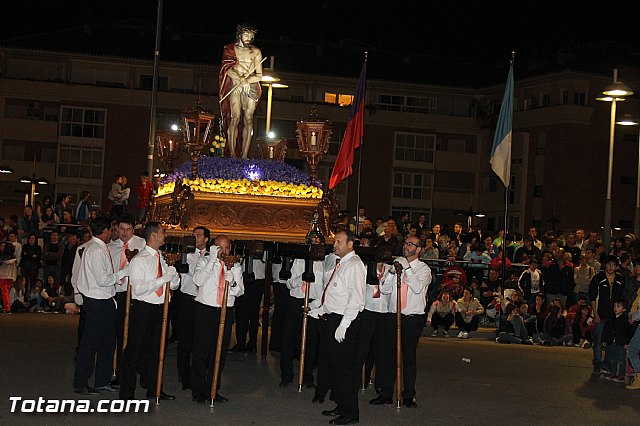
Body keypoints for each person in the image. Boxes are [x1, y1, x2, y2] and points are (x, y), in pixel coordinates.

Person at [308, 229, 365, 424]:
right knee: (337, 368)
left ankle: (350, 413)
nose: (335, 245)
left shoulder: (355, 266)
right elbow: (333, 292)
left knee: (345, 370)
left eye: (339, 242)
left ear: (350, 244)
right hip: (332, 318)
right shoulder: (341, 263)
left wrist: (344, 325)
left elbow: (356, 299)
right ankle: (341, 406)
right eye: (335, 242)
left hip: (343, 322)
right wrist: (319, 308)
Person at [119, 222, 179, 401]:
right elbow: (138, 289)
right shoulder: (140, 259)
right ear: (153, 235)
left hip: (162, 309)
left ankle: (154, 388)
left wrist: (173, 278)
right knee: (135, 352)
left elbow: (173, 285)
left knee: (157, 351)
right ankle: (126, 393)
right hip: (144, 308)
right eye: (162, 232)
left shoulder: (163, 257)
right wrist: (162, 280)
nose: (165, 235)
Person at [373, 235, 431, 409]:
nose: (406, 246)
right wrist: (391, 273)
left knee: (408, 357)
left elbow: (418, 287)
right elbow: (384, 289)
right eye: (405, 243)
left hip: (411, 318)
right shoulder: (395, 265)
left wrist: (407, 268)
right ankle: (386, 393)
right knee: (388, 356)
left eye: (411, 244)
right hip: (393, 316)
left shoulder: (423, 269)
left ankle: (408, 395)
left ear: (419, 249)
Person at [72, 218, 130, 395]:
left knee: (107, 343)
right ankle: (80, 382)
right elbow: (103, 279)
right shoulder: (96, 250)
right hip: (97, 301)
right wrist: (123, 273)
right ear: (104, 231)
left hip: (103, 301)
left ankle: (102, 381)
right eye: (111, 230)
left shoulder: (95, 247)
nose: (112, 233)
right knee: (90, 344)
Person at [190, 234, 244, 404]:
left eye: (227, 247)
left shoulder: (235, 265)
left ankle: (212, 388)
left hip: (225, 311)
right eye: (221, 247)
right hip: (206, 310)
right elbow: (197, 280)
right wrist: (212, 261)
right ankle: (197, 390)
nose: (225, 251)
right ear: (214, 247)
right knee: (201, 351)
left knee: (219, 352)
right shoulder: (204, 261)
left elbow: (240, 291)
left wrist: (233, 283)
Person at [279, 239, 327, 387]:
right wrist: (302, 277)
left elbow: (324, 287)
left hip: (313, 303)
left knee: (310, 342)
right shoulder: (299, 260)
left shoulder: (324, 263)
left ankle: (307, 377)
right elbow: (288, 283)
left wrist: (316, 305)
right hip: (296, 301)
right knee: (288, 339)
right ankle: (286, 376)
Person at [107, 214, 146, 387]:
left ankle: (134, 369)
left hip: (136, 294)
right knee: (119, 335)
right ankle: (119, 372)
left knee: (135, 335)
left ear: (133, 228)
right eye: (121, 229)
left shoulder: (142, 245)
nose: (124, 233)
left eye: (128, 229)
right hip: (118, 293)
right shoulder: (111, 246)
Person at [219, 23, 263, 159]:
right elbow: (227, 69)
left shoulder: (256, 51)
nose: (249, 37)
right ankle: (232, 154)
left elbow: (259, 74)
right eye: (246, 34)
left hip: (250, 87)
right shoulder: (230, 49)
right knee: (235, 118)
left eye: (251, 35)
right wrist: (240, 80)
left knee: (249, 118)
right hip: (235, 86)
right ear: (240, 35)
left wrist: (247, 81)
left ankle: (244, 155)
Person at [174, 226, 209, 391]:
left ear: (207, 239)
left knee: (201, 341)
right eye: (194, 235)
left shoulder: (212, 256)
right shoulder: (185, 254)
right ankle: (185, 377)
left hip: (204, 301)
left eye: (199, 235)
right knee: (185, 340)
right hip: (187, 299)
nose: (195, 238)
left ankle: (200, 376)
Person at [589, 255, 625, 374]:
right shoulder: (598, 278)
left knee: (610, 342)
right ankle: (597, 364)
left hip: (614, 316)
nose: (611, 267)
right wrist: (595, 313)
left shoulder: (620, 279)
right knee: (598, 341)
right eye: (609, 264)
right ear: (605, 265)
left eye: (614, 265)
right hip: (600, 314)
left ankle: (607, 364)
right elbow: (592, 297)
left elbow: (622, 298)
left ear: (616, 266)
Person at [602, 298, 631, 382]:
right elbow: (606, 330)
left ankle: (621, 375)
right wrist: (604, 340)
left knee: (621, 359)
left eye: (618, 306)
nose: (615, 308)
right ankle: (613, 373)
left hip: (621, 343)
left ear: (624, 309)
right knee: (612, 358)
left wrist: (626, 342)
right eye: (614, 306)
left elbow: (628, 332)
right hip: (611, 342)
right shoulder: (611, 319)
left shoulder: (625, 320)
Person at [0, 240, 17, 313]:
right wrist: (14, 277)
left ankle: (7, 308)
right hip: (10, 277)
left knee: (5, 293)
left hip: (3, 276)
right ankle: (7, 307)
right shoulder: (14, 258)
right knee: (6, 293)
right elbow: (14, 269)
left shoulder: (3, 258)